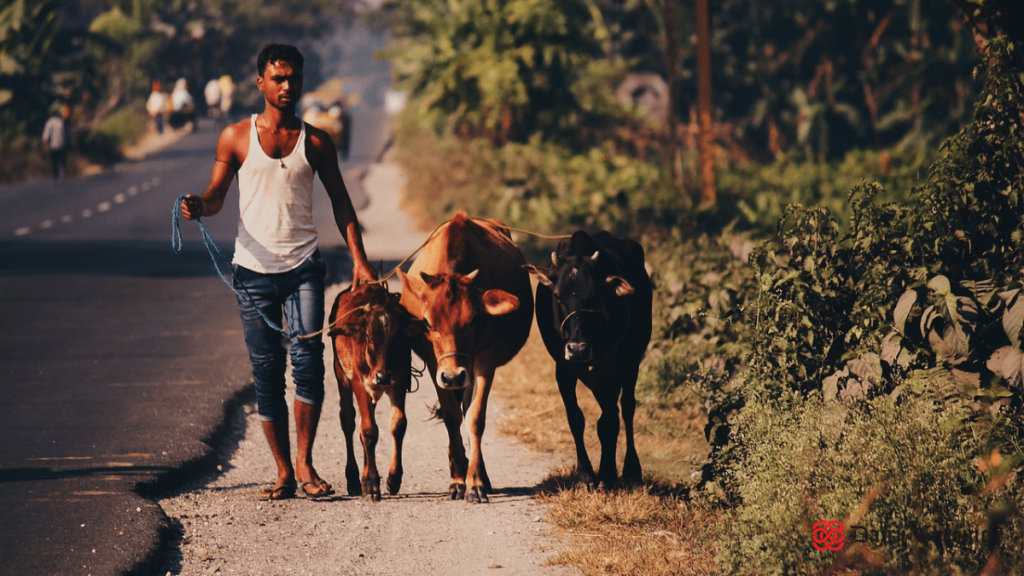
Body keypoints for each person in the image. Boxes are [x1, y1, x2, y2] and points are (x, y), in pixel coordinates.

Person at [180, 44, 377, 501]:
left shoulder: (317, 141)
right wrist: (198, 207)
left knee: (308, 367)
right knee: (266, 371)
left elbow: (342, 203)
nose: (287, 87)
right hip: (251, 273)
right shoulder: (235, 137)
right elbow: (215, 195)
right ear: (261, 83)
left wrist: (361, 259)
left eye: (294, 78)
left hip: (304, 267)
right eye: (278, 78)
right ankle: (283, 471)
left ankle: (306, 463)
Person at [41, 103, 68, 179]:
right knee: (62, 162)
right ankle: (64, 175)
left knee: (54, 164)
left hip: (53, 147)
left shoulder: (49, 123)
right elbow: (64, 134)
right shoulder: (60, 122)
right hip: (61, 145)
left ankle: (56, 177)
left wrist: (44, 147)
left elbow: (45, 137)